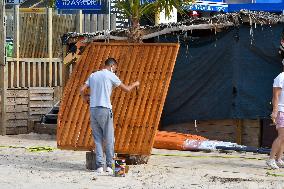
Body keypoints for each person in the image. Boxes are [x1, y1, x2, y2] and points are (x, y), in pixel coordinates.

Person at [80, 58, 140, 173]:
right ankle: (109, 166)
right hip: (105, 109)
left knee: (97, 139)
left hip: (93, 110)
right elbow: (127, 89)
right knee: (109, 138)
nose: (115, 71)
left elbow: (82, 89)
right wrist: (136, 83)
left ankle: (99, 167)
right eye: (115, 68)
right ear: (112, 66)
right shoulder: (110, 75)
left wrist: (84, 98)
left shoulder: (93, 75)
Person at [267, 70, 284, 169]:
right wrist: (274, 111)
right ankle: (271, 159)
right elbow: (275, 96)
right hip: (281, 110)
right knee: (282, 135)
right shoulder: (281, 77)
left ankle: (278, 159)